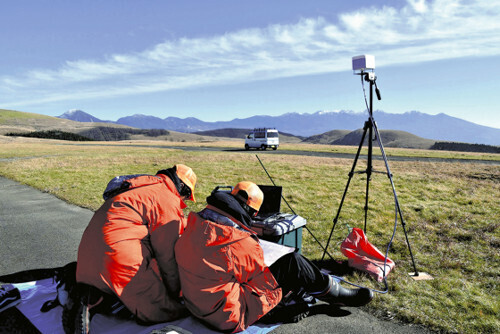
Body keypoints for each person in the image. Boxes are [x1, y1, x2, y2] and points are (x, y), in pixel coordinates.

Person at [174, 181, 373, 333]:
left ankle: (310, 292)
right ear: (249, 212)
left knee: (287, 266)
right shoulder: (237, 242)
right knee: (292, 263)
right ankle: (333, 296)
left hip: (197, 305)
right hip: (228, 315)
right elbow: (255, 274)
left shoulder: (191, 224)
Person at [75, 164, 197, 328]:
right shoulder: (166, 198)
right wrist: (176, 293)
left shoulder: (141, 187)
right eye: (186, 194)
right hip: (117, 260)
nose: (183, 200)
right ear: (181, 186)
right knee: (166, 310)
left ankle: (91, 297)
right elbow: (167, 256)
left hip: (86, 259)